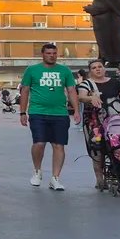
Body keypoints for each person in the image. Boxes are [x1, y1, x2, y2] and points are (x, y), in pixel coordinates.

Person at [19, 42, 80, 191]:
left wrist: (77, 111)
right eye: (48, 53)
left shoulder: (64, 70)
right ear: (43, 54)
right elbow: (25, 91)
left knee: (59, 145)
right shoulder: (32, 70)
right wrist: (22, 112)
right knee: (39, 143)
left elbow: (71, 91)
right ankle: (37, 171)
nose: (52, 56)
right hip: (37, 112)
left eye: (54, 53)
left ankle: (55, 178)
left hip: (60, 113)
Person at [77, 59, 120, 191]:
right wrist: (91, 98)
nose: (98, 69)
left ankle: (117, 170)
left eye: (100, 66)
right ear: (90, 71)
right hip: (95, 121)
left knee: (118, 144)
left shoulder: (115, 82)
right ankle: (99, 179)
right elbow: (81, 97)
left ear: (104, 69)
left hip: (115, 121)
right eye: (94, 68)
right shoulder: (87, 84)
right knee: (97, 149)